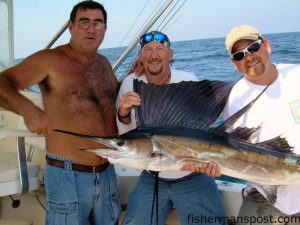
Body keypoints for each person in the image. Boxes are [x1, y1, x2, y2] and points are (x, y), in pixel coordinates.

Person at [0, 1, 121, 225]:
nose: (91, 28)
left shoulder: (104, 64)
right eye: (84, 22)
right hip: (68, 175)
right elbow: (2, 83)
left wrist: (136, 77)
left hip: (106, 174)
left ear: (105, 28)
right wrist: (29, 110)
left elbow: (110, 104)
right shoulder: (50, 60)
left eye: (98, 23)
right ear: (70, 26)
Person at [117, 30, 227, 225]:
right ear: (141, 56)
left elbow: (205, 132)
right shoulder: (129, 83)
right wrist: (123, 112)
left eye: (160, 49)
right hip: (152, 176)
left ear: (171, 55)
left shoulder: (189, 80)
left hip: (193, 176)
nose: (153, 54)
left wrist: (214, 163)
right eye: (148, 50)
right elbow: (126, 137)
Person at [223, 24, 300, 224]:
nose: (248, 57)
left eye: (253, 48)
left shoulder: (296, 74)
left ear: (266, 45)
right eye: (239, 55)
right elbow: (234, 154)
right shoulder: (232, 100)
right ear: (234, 64)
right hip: (268, 196)